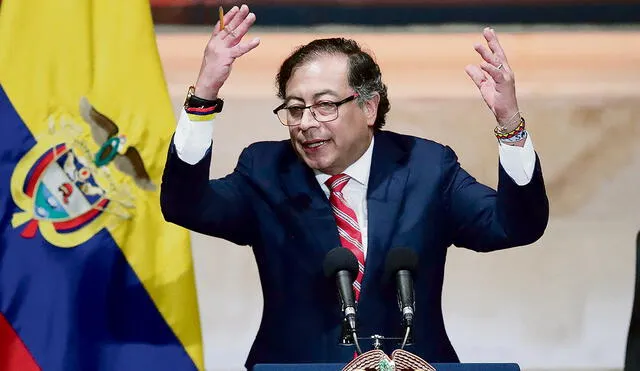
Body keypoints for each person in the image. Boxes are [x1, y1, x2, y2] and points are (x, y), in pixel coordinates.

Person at [160, 4, 549, 370]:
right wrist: (204, 98)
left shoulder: (427, 167)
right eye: (294, 108)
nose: (306, 122)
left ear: (368, 107)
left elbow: (514, 225)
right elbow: (185, 205)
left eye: (324, 105)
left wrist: (510, 125)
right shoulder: (266, 171)